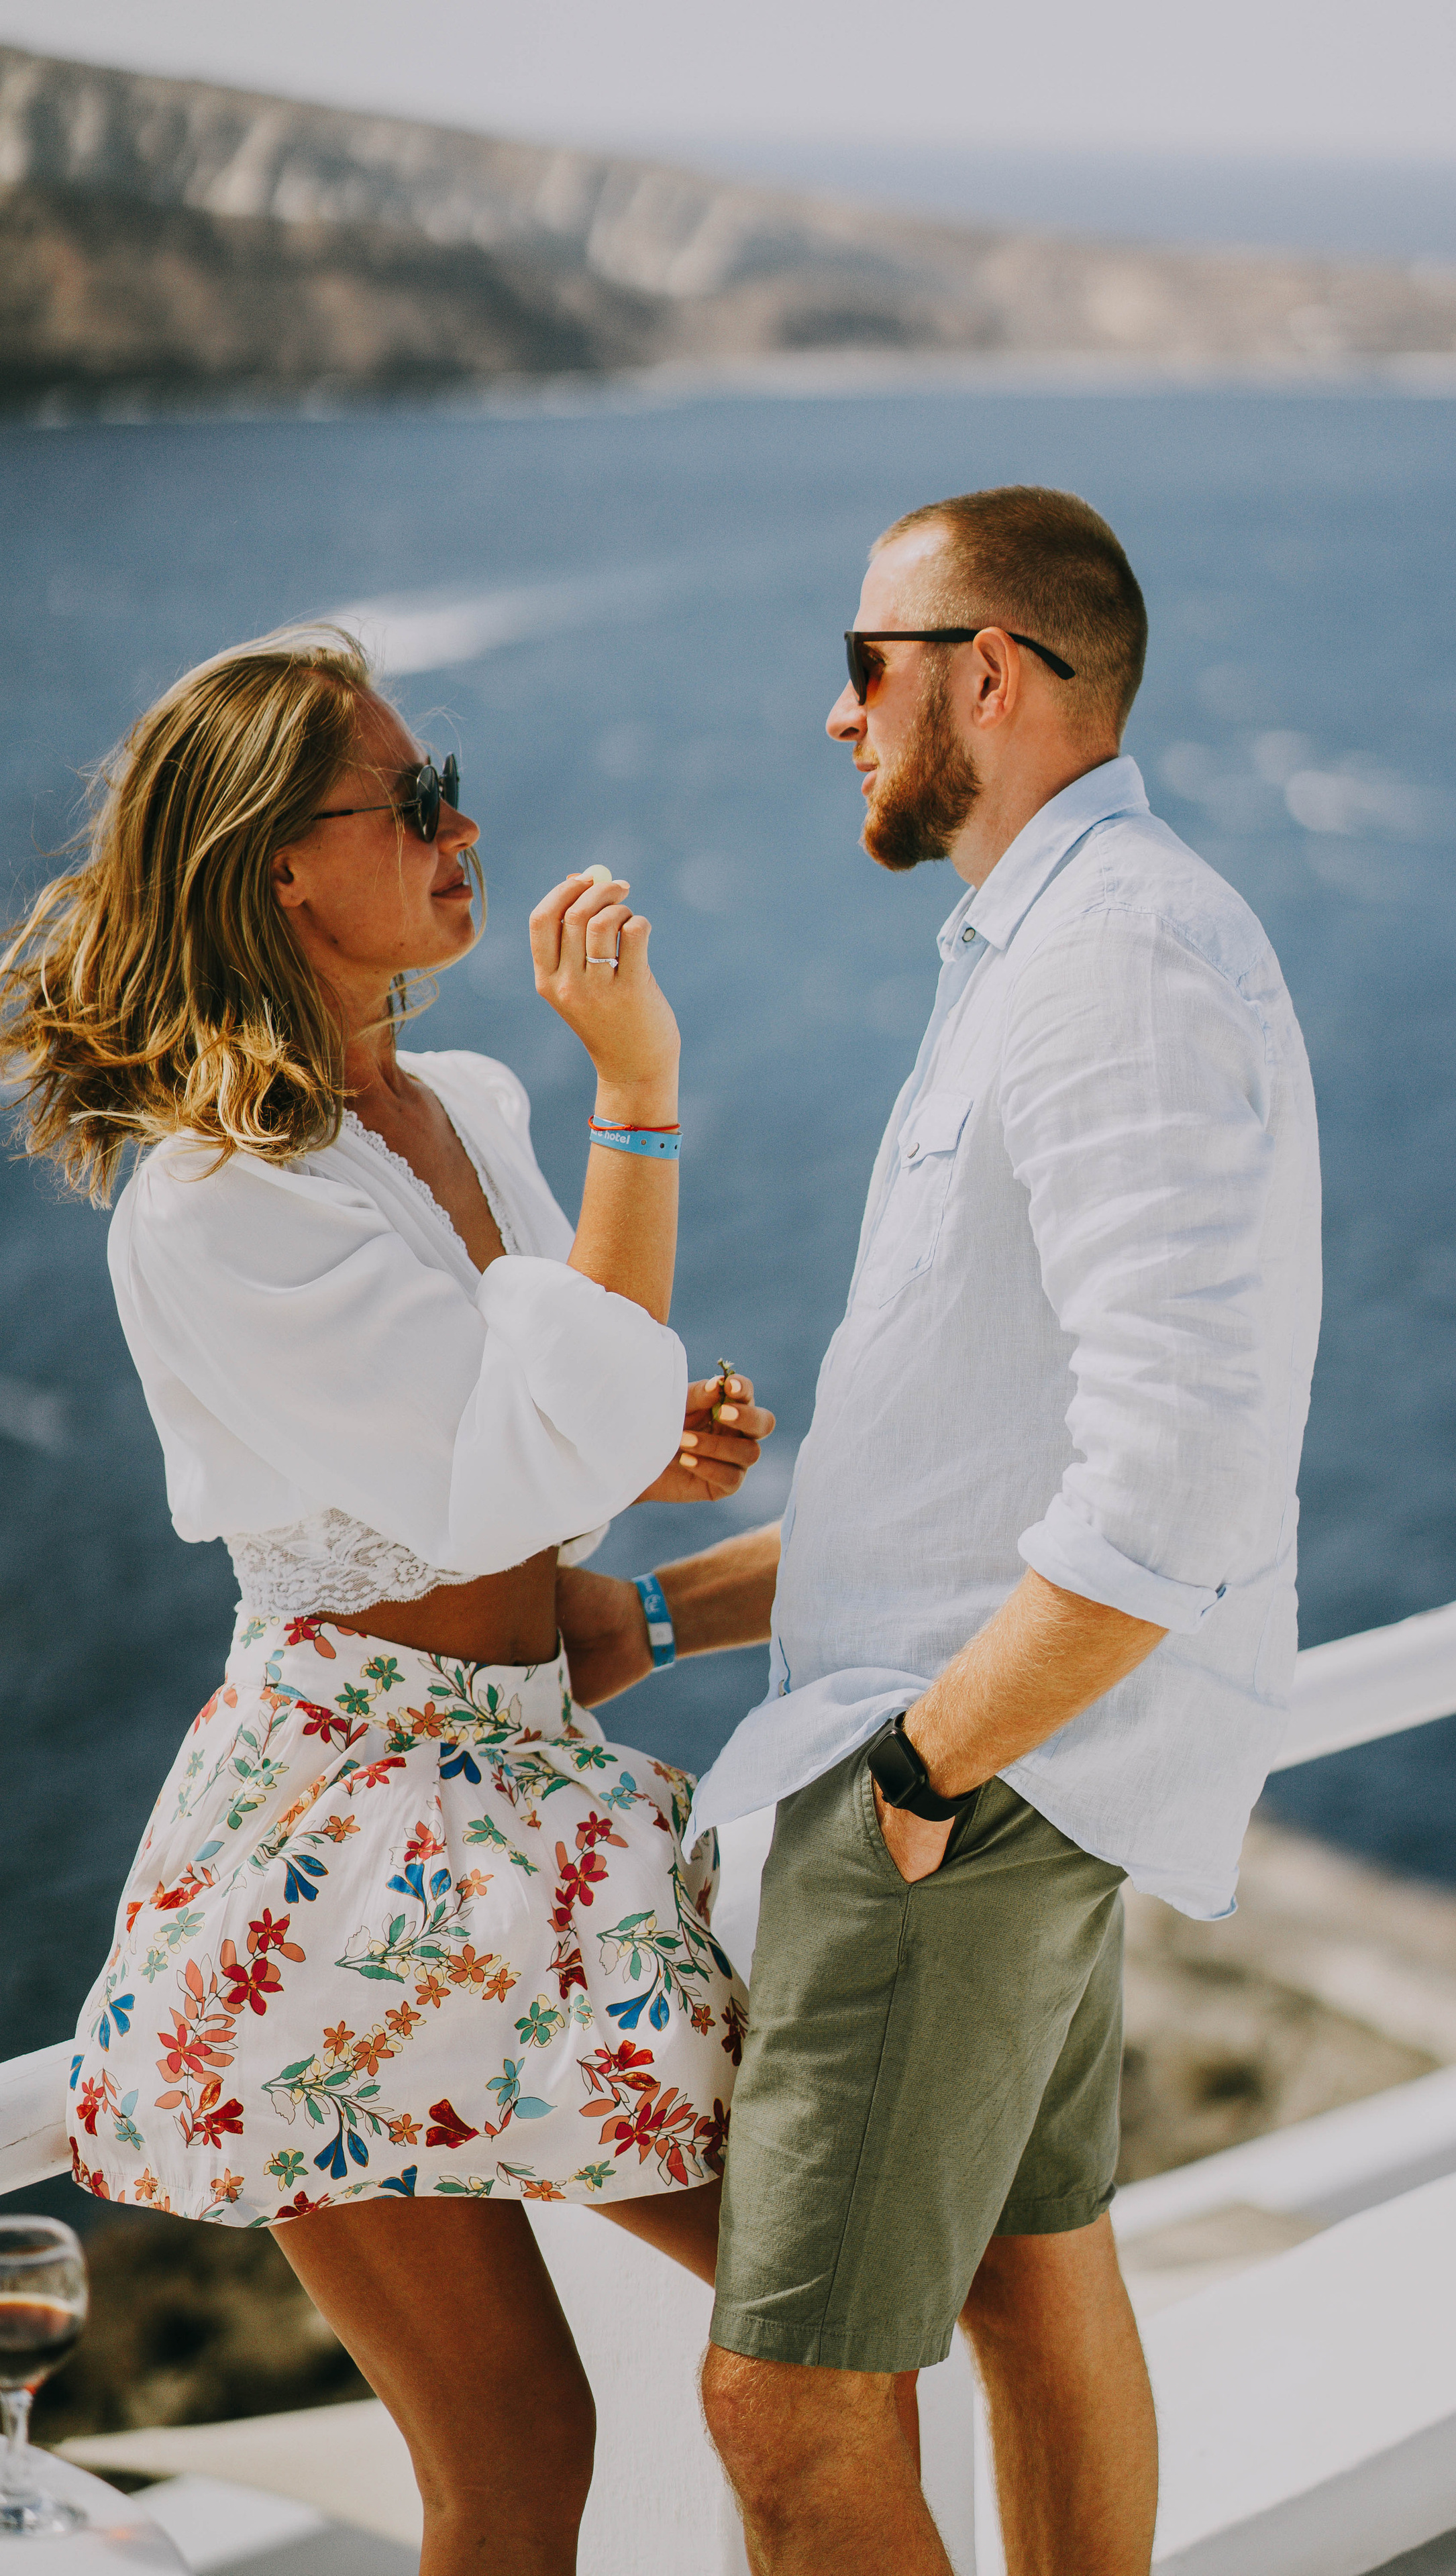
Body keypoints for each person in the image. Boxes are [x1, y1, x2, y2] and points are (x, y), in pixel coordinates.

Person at [567, 484, 1322, 2574]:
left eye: (864, 666)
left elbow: (1170, 1468)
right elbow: (974, 1478)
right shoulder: (1064, 941)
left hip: (969, 1785)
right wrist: (663, 1615)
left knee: (786, 2403)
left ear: (985, 675)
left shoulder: (1109, 959)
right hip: (1013, 1760)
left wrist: (924, 1771)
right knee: (1032, 2280)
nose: (837, 716)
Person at [0, 628, 776, 2576]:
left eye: (452, 790)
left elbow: (533, 1429)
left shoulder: (476, 1102)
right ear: (278, 864)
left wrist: (642, 1446)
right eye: (412, 801)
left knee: (818, 2274)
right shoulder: (216, 1198)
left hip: (525, 1787)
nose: (461, 831)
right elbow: (505, 1462)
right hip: (346, 1849)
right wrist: (645, 1092)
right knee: (518, 2453)